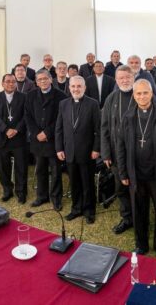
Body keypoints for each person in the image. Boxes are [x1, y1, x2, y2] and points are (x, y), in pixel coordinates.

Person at [116, 79, 156, 256]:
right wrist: (123, 172)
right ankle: (141, 244)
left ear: (152, 93)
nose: (142, 96)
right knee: (139, 210)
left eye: (145, 92)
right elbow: (121, 145)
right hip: (136, 173)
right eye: (138, 93)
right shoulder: (128, 116)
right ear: (133, 95)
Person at [55, 76, 101, 224]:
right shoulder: (63, 104)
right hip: (69, 151)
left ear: (84, 87)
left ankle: (89, 211)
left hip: (88, 152)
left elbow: (98, 129)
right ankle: (76, 209)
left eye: (79, 86)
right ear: (69, 87)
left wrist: (96, 149)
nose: (76, 89)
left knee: (87, 183)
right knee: (74, 182)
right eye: (73, 86)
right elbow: (59, 128)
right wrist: (59, 148)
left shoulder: (93, 104)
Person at [100, 66, 137, 234]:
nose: (124, 80)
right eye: (121, 78)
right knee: (121, 188)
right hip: (116, 154)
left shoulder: (140, 95)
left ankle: (139, 218)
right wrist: (106, 153)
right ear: (116, 80)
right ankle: (127, 217)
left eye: (127, 77)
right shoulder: (111, 99)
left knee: (138, 189)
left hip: (137, 153)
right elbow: (105, 127)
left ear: (133, 77)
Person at [26, 70, 67, 210]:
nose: (42, 81)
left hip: (54, 139)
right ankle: (42, 196)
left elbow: (60, 118)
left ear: (51, 79)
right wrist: (37, 133)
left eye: (45, 78)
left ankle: (56, 198)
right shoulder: (30, 96)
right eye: (40, 79)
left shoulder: (61, 96)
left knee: (55, 170)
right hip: (37, 139)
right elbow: (28, 116)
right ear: (36, 82)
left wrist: (47, 133)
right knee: (40, 169)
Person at [0, 74, 28, 203]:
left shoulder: (23, 97)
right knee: (3, 167)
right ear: (2, 83)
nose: (11, 84)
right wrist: (6, 130)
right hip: (2, 138)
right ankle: (7, 190)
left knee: (21, 167)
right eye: (8, 81)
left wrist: (16, 129)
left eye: (13, 82)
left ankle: (21, 192)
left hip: (19, 139)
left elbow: (25, 116)